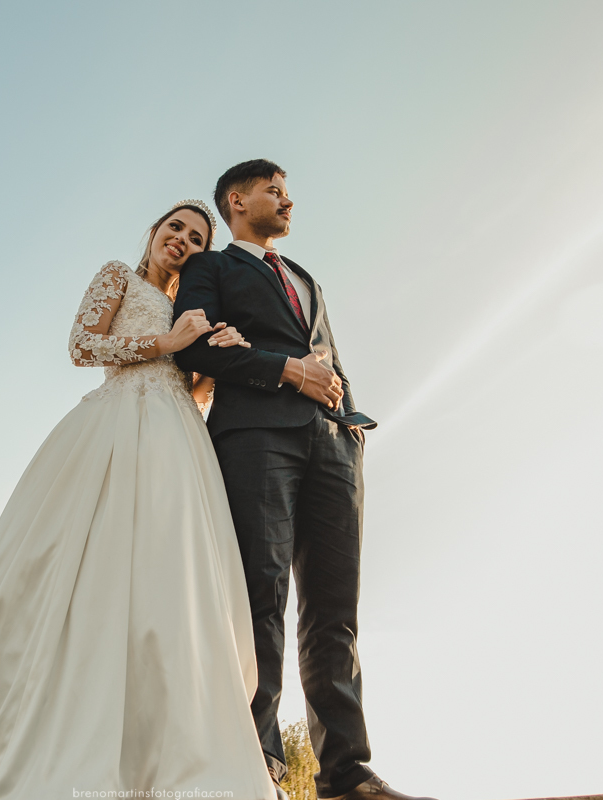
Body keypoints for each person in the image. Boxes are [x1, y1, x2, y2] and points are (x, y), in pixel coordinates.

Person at [0, 200, 277, 800]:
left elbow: (191, 391)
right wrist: (168, 339)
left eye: (196, 239)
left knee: (169, 576)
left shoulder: (194, 307)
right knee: (82, 567)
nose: (183, 242)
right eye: (176, 228)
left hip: (176, 442)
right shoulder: (119, 276)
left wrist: (213, 361)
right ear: (154, 230)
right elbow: (82, 345)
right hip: (114, 426)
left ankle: (160, 752)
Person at [173, 160, 435, 800]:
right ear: (238, 200)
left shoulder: (306, 278)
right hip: (256, 436)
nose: (287, 201)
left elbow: (330, 357)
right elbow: (193, 349)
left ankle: (346, 773)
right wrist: (287, 371)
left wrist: (351, 428)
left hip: (335, 446)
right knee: (260, 596)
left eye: (287, 191)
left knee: (335, 611)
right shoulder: (211, 268)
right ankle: (257, 763)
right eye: (275, 191)